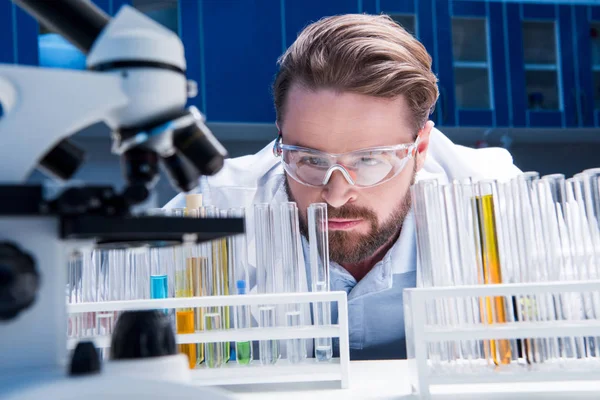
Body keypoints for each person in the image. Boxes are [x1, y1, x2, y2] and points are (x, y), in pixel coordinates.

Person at [165, 14, 521, 360]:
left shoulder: (496, 202)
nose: (335, 194)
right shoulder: (210, 208)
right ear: (281, 136)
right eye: (311, 159)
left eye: (369, 161)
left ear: (421, 149)